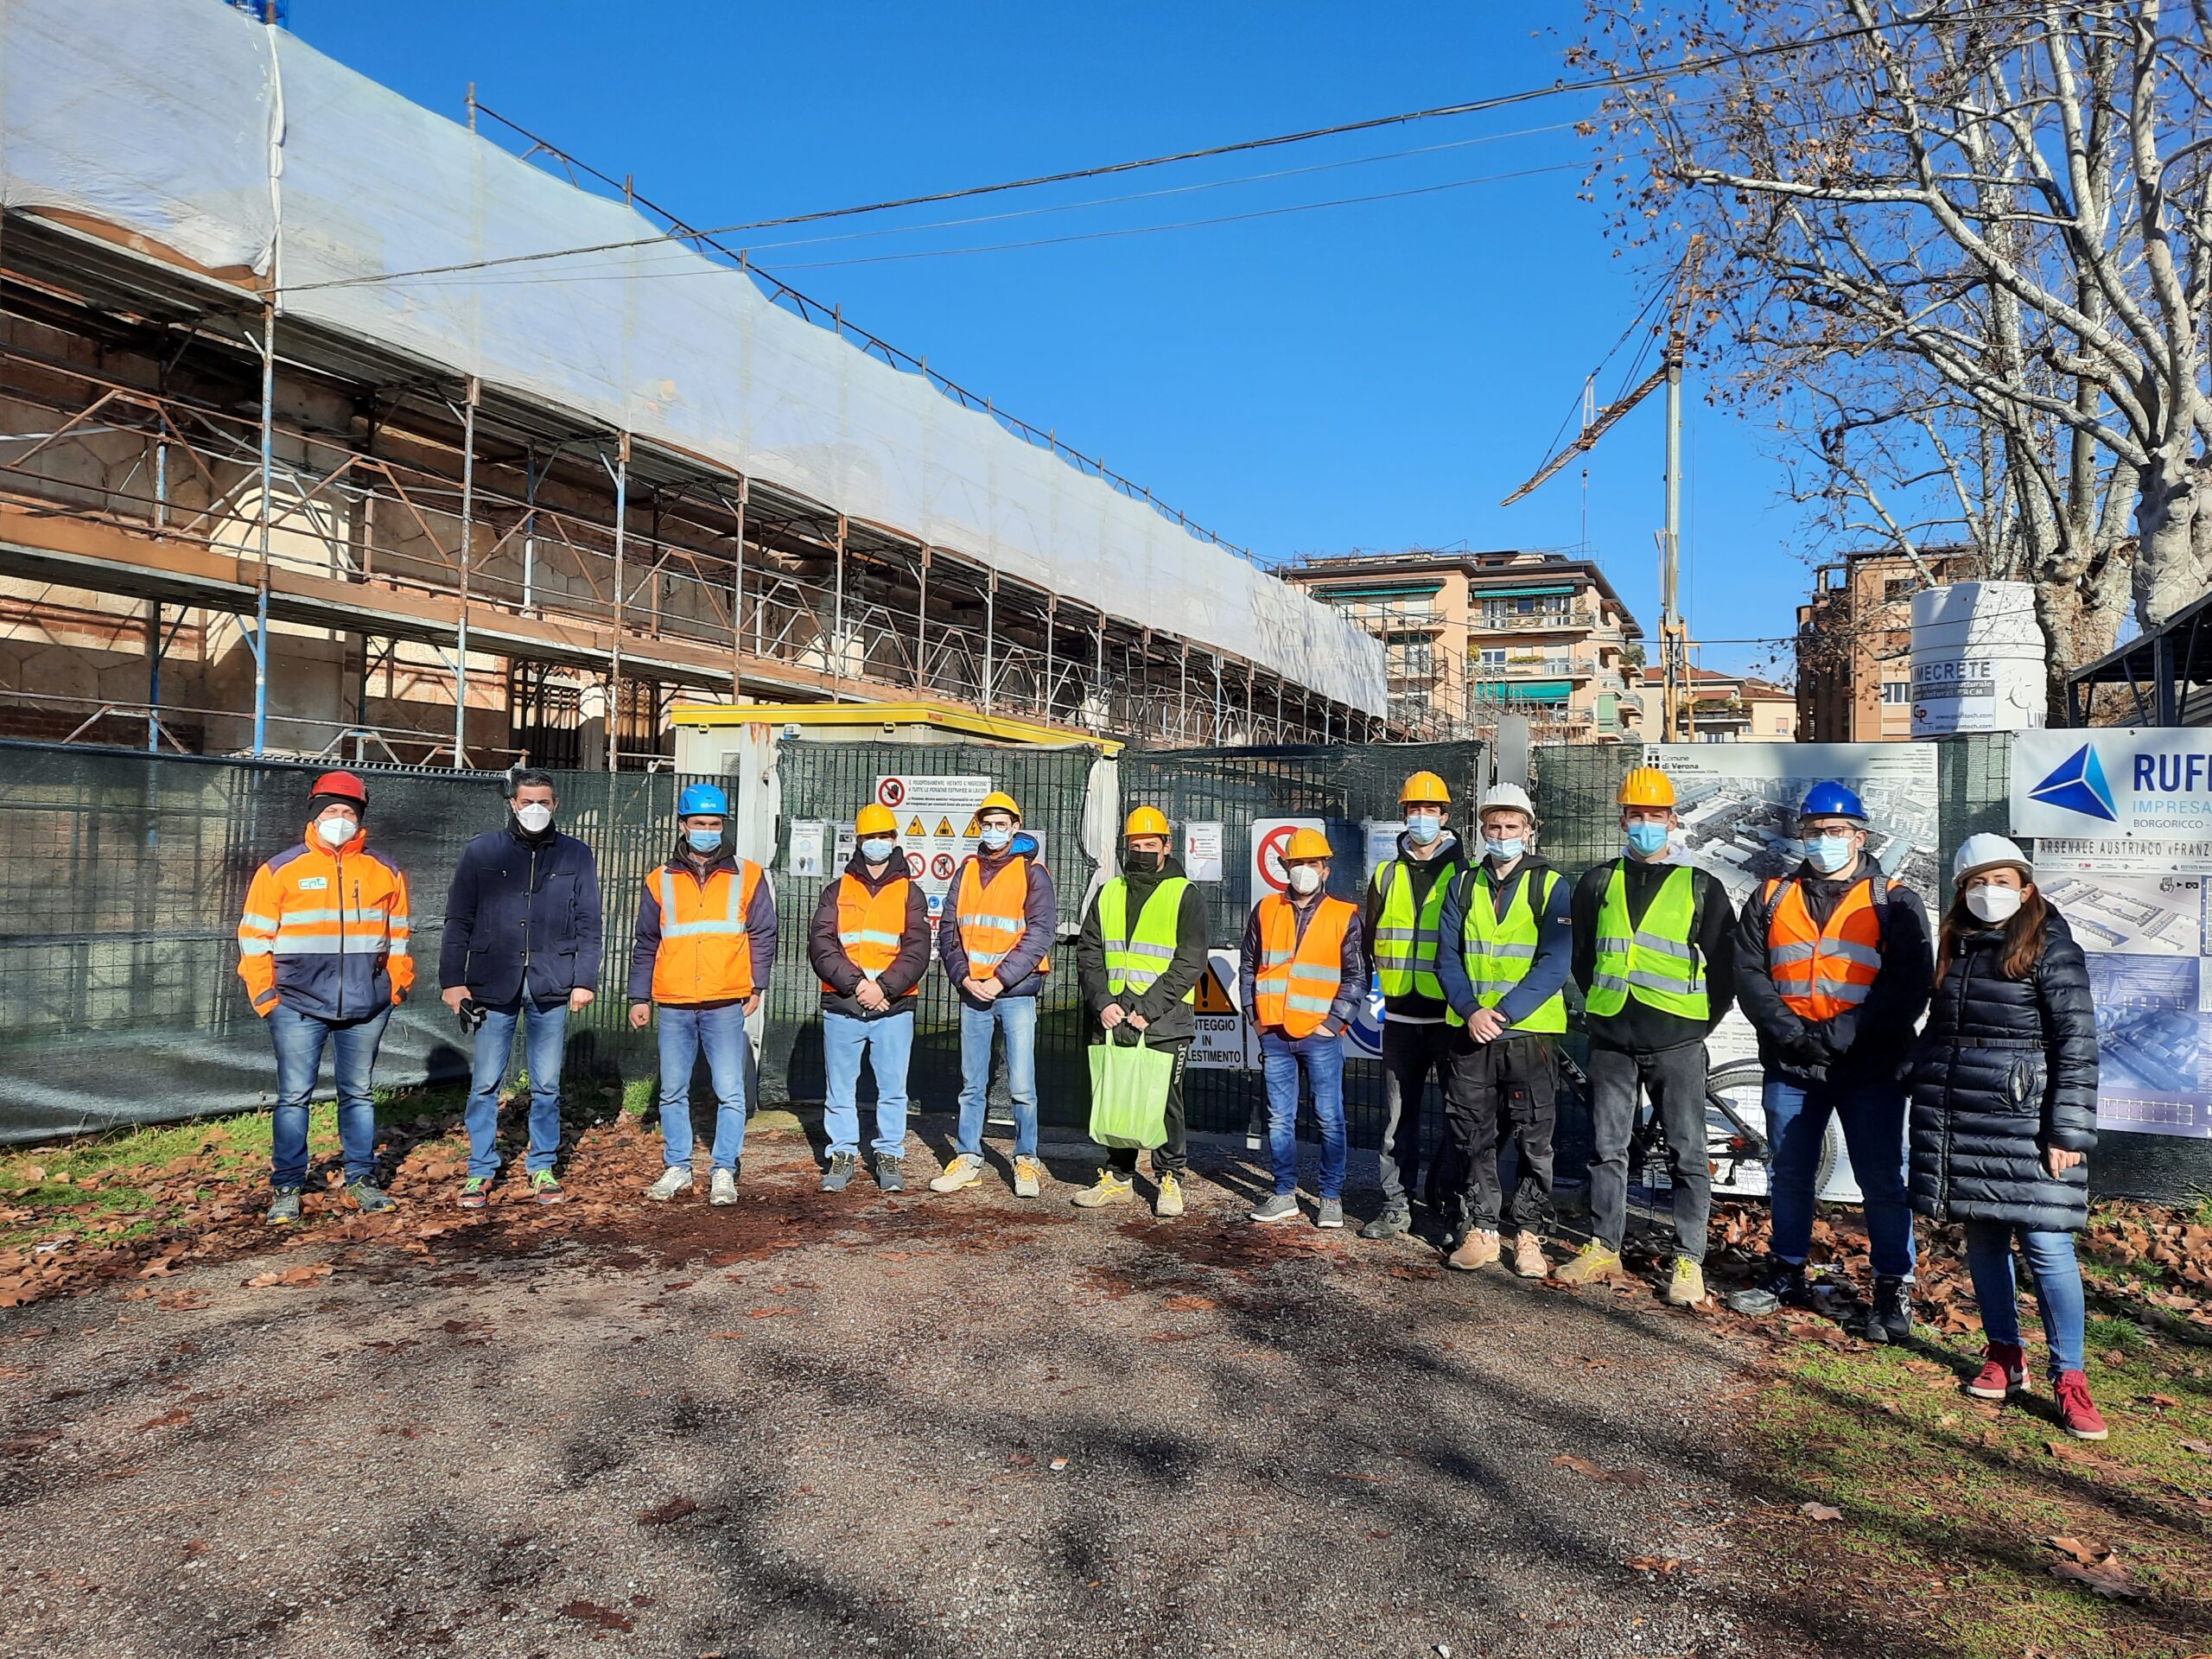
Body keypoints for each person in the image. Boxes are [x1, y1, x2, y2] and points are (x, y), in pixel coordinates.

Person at [1910, 835, 2106, 1440]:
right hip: (1964, 1115)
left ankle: (2070, 1377)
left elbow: (2077, 1042)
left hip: (2029, 1116)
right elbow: (1939, 1032)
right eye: (1976, 882)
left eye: (2002, 881)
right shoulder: (1956, 945)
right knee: (1986, 1242)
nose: (1989, 893)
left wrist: (2068, 1128)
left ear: (2025, 888)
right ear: (1962, 889)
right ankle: (2005, 1354)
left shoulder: (2051, 945)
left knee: (2048, 1247)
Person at [1727, 782, 1931, 1338]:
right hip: (1791, 1063)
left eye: (1835, 831)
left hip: (1869, 1066)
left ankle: (1893, 1288)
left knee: (1881, 1180)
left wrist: (1841, 1035)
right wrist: (1792, 1035)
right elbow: (1749, 973)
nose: (1823, 841)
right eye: (1814, 831)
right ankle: (1787, 1269)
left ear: (1859, 836)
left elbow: (1908, 986)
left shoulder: (1893, 899)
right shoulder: (1771, 896)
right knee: (1789, 1172)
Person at [1561, 765, 1737, 1306]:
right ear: (1622, 820)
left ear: (1672, 820)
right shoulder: (1596, 882)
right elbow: (1584, 958)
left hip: (1677, 1041)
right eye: (1636, 815)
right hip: (1613, 1036)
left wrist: (1698, 1025)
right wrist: (1604, 1009)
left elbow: (1725, 968)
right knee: (1607, 1148)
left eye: (1654, 816)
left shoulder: (1701, 887)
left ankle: (1688, 1260)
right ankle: (1603, 1245)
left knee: (1687, 1153)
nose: (1645, 825)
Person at [236, 769, 411, 1224]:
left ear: (361, 819)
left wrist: (395, 986)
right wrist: (267, 997)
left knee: (359, 1093)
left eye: (348, 812)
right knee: (294, 1096)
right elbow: (254, 938)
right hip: (294, 1004)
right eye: (332, 811)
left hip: (367, 1005)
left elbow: (400, 937)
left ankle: (361, 1178)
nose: (340, 819)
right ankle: (288, 1186)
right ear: (315, 816)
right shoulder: (279, 870)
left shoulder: (385, 870)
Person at [440, 767, 603, 1209]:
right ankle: (480, 1170)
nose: (535, 809)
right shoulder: (481, 851)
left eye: (543, 801)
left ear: (556, 805)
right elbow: (459, 920)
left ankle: (543, 1164)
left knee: (547, 1084)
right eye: (526, 801)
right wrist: (453, 981)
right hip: (493, 984)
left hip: (552, 984)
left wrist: (584, 979)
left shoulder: (576, 854)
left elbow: (590, 922)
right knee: (485, 1084)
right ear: (513, 803)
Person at [1434, 784, 1572, 1276]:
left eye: (1512, 827)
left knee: (1535, 1137)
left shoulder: (1551, 885)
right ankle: (1482, 1229)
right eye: (1494, 826)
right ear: (1482, 830)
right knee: (1474, 1133)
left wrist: (1503, 1013)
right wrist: (1471, 1010)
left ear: (1528, 831)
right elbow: (1445, 957)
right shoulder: (1463, 885)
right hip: (1470, 1032)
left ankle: (1530, 1235)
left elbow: (1555, 962)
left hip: (1527, 1035)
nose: (1502, 834)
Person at [628, 783, 777, 1207]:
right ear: (684, 826)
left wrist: (757, 984)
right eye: (700, 824)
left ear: (723, 825)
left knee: (730, 1091)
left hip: (726, 999)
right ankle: (678, 1165)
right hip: (673, 1000)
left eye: (715, 824)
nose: (708, 831)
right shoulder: (659, 880)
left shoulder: (748, 875)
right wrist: (639, 996)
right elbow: (646, 940)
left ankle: (724, 1169)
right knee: (672, 1090)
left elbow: (764, 934)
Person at [1073, 806, 1209, 1217]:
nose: (1143, 851)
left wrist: (1147, 1010)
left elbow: (1190, 961)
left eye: (1151, 844)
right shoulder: (1109, 891)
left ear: (1167, 846)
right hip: (1115, 1014)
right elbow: (1089, 951)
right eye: (1135, 845)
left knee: (1164, 1099)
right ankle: (1118, 1178)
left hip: (1164, 1020)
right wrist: (1103, 1002)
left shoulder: (1185, 894)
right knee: (1117, 1095)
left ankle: (1170, 1178)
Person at [1357, 770, 1467, 1241]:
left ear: (1445, 817)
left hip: (1451, 1017)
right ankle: (1396, 1205)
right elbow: (1369, 940)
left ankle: (1451, 1205)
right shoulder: (1385, 873)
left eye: (1430, 811)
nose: (1421, 818)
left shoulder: (1467, 874)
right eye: (1413, 810)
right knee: (1397, 1121)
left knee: (1462, 1117)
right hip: (1401, 1017)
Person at [931, 791, 1058, 1197]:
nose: (993, 830)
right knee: (972, 1083)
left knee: (1022, 1084)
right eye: (987, 823)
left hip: (1015, 991)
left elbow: (1040, 934)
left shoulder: (1032, 873)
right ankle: (968, 1157)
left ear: (1015, 827)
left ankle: (1026, 1160)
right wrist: (963, 977)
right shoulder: (965, 871)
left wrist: (999, 980)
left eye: (1001, 824)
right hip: (972, 992)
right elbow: (949, 930)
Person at [1241, 827, 1363, 1229]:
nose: (1304, 871)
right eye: (1297, 864)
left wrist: (1333, 1023)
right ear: (1285, 867)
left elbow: (1356, 976)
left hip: (1320, 1034)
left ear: (1325, 869)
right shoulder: (1265, 909)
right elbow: (1248, 966)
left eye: (1312, 864)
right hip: (1274, 1032)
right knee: (1279, 1118)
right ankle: (1284, 1194)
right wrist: (1255, 1018)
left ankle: (1330, 1197)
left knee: (1330, 1117)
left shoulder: (1344, 915)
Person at [807, 802, 930, 1194]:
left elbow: (917, 948)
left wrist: (885, 989)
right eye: (870, 837)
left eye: (884, 836)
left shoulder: (911, 892)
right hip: (843, 1005)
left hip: (893, 1008)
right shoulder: (836, 891)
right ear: (859, 841)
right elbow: (822, 944)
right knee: (840, 1090)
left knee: (893, 1089)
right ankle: (841, 1153)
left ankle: (889, 1153)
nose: (877, 843)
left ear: (894, 841)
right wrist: (859, 985)